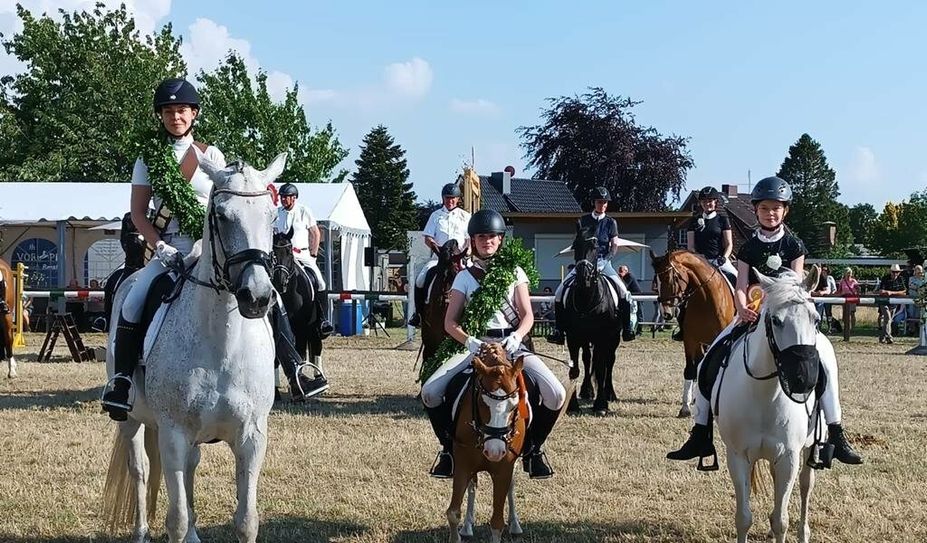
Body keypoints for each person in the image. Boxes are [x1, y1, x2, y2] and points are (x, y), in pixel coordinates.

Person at [101, 77, 315, 421]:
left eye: (182, 110)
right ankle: (122, 380)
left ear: (194, 114)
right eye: (168, 111)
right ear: (160, 116)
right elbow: (138, 214)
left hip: (211, 249)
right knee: (134, 298)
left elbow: (227, 205)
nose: (175, 117)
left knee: (267, 293)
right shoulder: (147, 157)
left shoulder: (211, 155)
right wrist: (159, 248)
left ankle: (295, 368)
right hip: (169, 248)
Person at [667, 176, 862, 468]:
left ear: (785, 211)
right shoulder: (748, 249)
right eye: (765, 209)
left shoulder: (794, 244)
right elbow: (741, 285)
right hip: (752, 316)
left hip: (788, 315)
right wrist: (742, 308)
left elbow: (796, 284)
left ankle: (835, 430)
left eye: (776, 208)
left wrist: (775, 306)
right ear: (756, 211)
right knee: (710, 359)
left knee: (825, 359)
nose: (770, 213)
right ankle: (700, 431)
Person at [421, 209, 566, 479]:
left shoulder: (515, 272)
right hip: (478, 346)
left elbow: (527, 316)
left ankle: (533, 450)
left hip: (511, 344)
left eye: (492, 236)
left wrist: (517, 336)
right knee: (430, 391)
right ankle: (448, 451)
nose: (487, 241)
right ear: (473, 241)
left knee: (556, 393)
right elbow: (450, 323)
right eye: (481, 237)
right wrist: (471, 342)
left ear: (500, 240)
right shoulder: (464, 277)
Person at [547, 186, 636, 344]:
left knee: (624, 291)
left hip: (603, 261)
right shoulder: (583, 220)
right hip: (583, 263)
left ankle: (627, 328)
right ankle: (559, 330)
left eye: (605, 202)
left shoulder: (611, 223)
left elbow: (614, 245)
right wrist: (580, 260)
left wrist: (606, 260)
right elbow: (577, 243)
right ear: (594, 203)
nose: (602, 205)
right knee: (560, 291)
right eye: (599, 202)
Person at [673, 186, 737, 341]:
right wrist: (698, 260)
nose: (707, 203)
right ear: (701, 203)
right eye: (704, 201)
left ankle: (740, 317)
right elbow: (690, 246)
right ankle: (682, 326)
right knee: (685, 292)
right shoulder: (694, 221)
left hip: (719, 260)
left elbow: (729, 243)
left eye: (710, 201)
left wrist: (724, 257)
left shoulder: (722, 220)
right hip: (700, 262)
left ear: (715, 202)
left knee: (737, 279)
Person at [275, 182, 334, 338]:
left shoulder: (303, 211)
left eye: (285, 197)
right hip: (282, 257)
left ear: (294, 198)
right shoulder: (277, 213)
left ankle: (322, 320)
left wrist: (313, 254)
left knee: (321, 282)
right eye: (281, 197)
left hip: (301, 254)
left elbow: (315, 233)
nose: (283, 200)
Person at [408, 183, 471, 327]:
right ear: (443, 198)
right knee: (420, 279)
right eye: (447, 198)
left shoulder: (465, 216)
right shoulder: (435, 216)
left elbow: (469, 240)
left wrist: (466, 252)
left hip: (460, 258)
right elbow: (427, 238)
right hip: (439, 258)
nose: (450, 201)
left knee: (477, 279)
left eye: (453, 198)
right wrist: (437, 249)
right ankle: (418, 314)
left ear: (458, 199)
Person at [877, 264, 907, 344]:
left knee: (888, 320)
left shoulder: (901, 279)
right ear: (891, 272)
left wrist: (891, 293)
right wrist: (888, 293)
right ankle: (889, 337)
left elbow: (904, 292)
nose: (895, 274)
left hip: (894, 303)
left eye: (896, 272)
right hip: (884, 301)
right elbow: (881, 291)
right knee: (888, 318)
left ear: (899, 273)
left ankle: (882, 337)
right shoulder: (885, 278)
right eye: (893, 272)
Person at [835, 267, 860, 333]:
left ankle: (853, 328)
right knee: (846, 314)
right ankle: (847, 328)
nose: (849, 274)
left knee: (852, 313)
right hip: (845, 298)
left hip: (852, 298)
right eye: (848, 273)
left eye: (850, 273)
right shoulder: (842, 281)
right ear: (845, 273)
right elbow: (839, 290)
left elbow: (858, 289)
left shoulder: (854, 281)